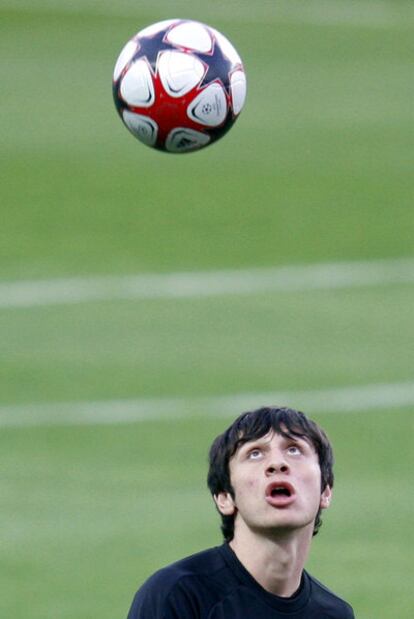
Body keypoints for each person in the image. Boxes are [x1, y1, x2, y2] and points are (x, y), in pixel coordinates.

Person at [127, 406, 355, 618]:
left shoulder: (334, 613)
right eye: (255, 453)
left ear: (325, 491)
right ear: (224, 497)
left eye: (294, 450)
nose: (277, 463)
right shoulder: (178, 595)